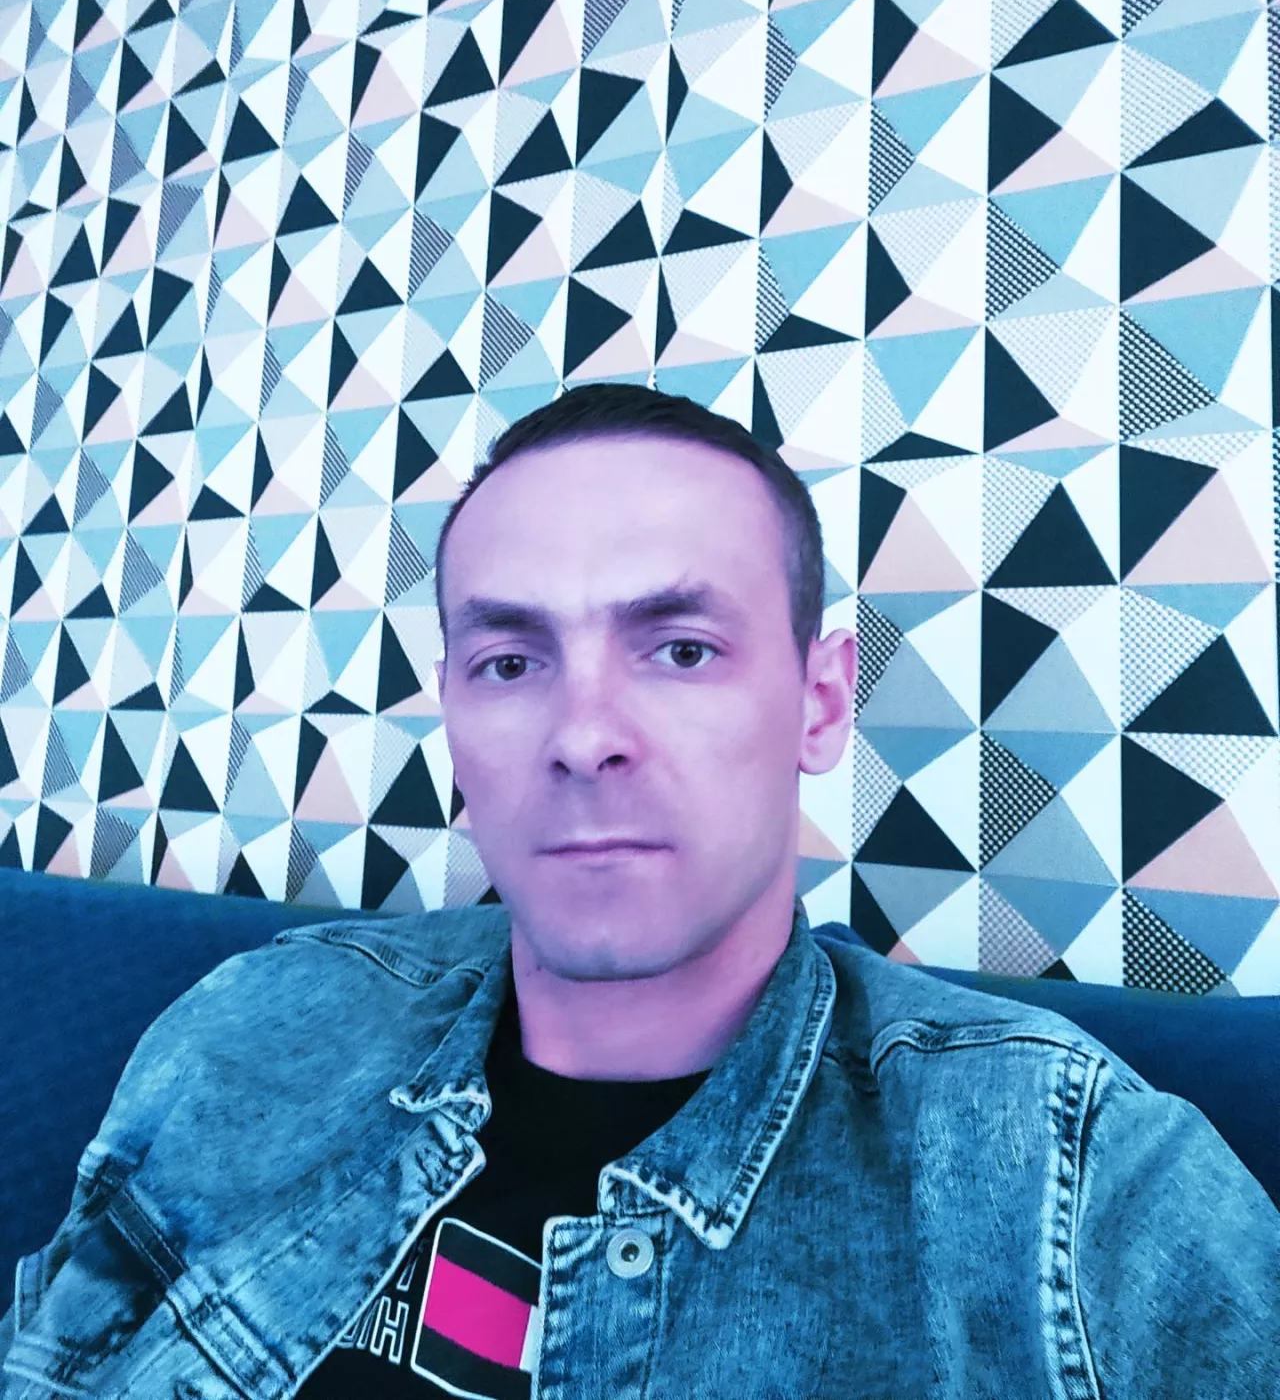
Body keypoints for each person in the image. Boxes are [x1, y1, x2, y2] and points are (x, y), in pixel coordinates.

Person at [2, 381, 1277, 1400]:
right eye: (510, 663)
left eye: (678, 649)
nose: (582, 736)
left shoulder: (1069, 1182)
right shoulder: (251, 1023)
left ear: (818, 703)